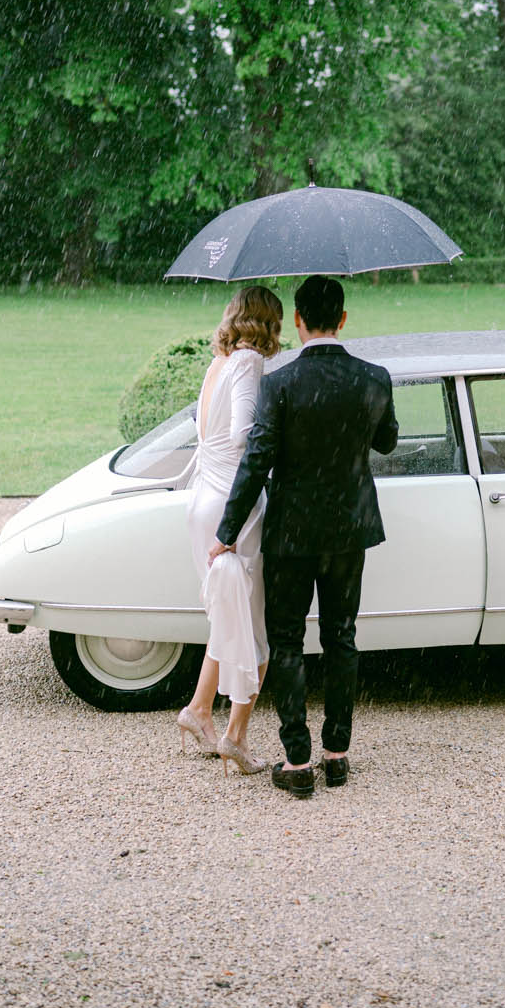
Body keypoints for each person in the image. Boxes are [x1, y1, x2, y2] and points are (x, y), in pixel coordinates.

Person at [211, 274, 398, 797]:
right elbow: (386, 442)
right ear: (342, 319)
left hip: (291, 534)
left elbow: (255, 462)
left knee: (288, 641)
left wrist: (226, 532)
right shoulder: (374, 378)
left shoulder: (279, 384)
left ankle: (297, 760)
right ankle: (337, 754)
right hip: (348, 530)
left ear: (297, 321)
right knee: (342, 637)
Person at [176, 284, 284, 774]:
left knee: (225, 611)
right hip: (233, 506)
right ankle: (236, 737)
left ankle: (199, 711)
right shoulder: (248, 364)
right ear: (269, 324)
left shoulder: (216, 365)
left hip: (202, 502)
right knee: (253, 623)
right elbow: (244, 433)